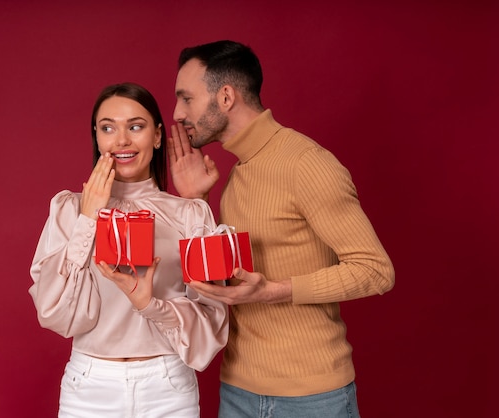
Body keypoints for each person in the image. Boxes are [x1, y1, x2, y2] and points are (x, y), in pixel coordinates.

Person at [168, 40, 395, 418]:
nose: (177, 113)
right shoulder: (238, 173)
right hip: (238, 391)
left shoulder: (306, 163)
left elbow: (376, 271)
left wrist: (276, 291)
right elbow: (224, 280)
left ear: (225, 97)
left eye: (186, 98)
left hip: (312, 397)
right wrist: (197, 200)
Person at [29, 82, 228, 418]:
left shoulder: (190, 213)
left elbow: (213, 320)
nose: (121, 140)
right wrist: (88, 218)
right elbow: (53, 313)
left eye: (135, 126)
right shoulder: (68, 209)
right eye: (108, 128)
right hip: (90, 386)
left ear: (157, 136)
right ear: (97, 136)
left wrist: (151, 306)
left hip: (168, 387)